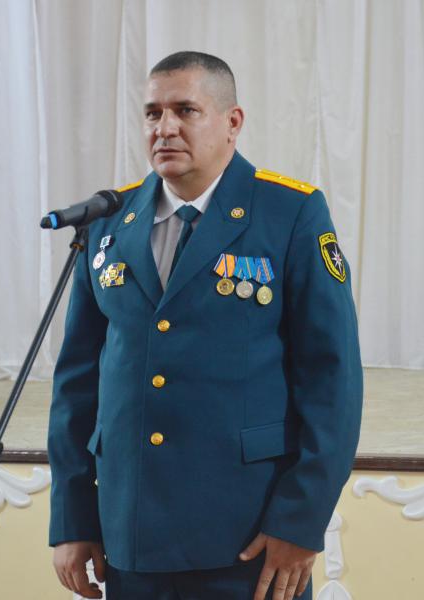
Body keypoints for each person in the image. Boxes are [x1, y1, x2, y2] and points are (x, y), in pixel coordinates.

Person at [47, 50, 363, 600]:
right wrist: (73, 519)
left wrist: (300, 521)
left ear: (232, 122)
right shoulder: (109, 221)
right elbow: (77, 385)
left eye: (185, 110)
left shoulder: (289, 213)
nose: (164, 128)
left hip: (248, 538)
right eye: (152, 113)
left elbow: (333, 381)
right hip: (132, 533)